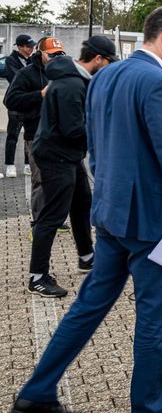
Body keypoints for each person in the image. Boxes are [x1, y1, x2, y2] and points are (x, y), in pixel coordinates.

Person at [10, 5, 162, 413]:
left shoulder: (105, 76)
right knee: (155, 319)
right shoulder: (158, 83)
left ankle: (39, 389)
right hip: (151, 224)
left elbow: (96, 144)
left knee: (87, 307)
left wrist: (106, 192)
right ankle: (150, 411)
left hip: (112, 215)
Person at [26, 36, 116, 298]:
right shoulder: (70, 85)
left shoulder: (77, 81)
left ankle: (87, 257)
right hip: (56, 156)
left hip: (69, 155)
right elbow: (72, 129)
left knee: (81, 204)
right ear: (98, 59)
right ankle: (37, 276)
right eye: (108, 63)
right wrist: (104, 130)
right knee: (52, 215)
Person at [5, 37, 65, 221]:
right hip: (36, 135)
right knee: (40, 181)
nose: (56, 58)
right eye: (52, 55)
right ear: (41, 53)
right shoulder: (26, 73)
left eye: (59, 54)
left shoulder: (64, 72)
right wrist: (39, 95)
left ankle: (58, 218)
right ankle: (38, 223)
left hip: (60, 135)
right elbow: (10, 100)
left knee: (61, 180)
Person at [3, 34, 35, 178]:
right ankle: (10, 165)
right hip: (16, 103)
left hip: (30, 102)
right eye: (28, 46)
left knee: (30, 135)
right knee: (12, 135)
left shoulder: (33, 61)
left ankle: (28, 164)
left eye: (32, 46)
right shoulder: (11, 60)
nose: (31, 49)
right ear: (20, 46)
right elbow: (14, 78)